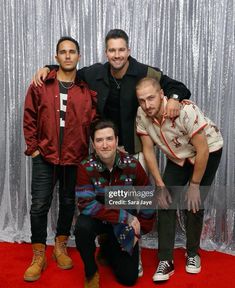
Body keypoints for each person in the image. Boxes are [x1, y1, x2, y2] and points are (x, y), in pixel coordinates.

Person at [33, 29, 191, 160]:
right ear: (106, 53)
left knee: (132, 197)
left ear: (128, 51)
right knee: (105, 196)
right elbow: (69, 74)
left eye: (121, 50)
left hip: (136, 149)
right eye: (112, 50)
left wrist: (174, 98)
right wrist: (49, 68)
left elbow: (178, 87)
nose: (117, 55)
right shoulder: (95, 73)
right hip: (104, 149)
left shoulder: (145, 72)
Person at [23, 36, 97, 282]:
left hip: (74, 158)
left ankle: (60, 246)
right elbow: (30, 116)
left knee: (67, 203)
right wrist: (34, 149)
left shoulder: (87, 90)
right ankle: (38, 253)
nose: (67, 55)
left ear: (78, 56)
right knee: (39, 205)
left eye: (72, 51)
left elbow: (95, 123)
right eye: (62, 52)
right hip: (45, 155)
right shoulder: (41, 84)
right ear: (56, 57)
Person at [135, 77, 223, 282]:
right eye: (141, 100)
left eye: (151, 98)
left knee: (193, 202)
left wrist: (194, 186)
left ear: (161, 95)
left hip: (207, 151)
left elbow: (202, 150)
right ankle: (165, 260)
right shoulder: (141, 114)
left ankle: (193, 253)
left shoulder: (184, 110)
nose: (147, 105)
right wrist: (160, 185)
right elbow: (148, 151)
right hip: (178, 156)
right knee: (165, 202)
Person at [74, 119, 155, 288]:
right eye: (99, 140)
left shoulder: (131, 164)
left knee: (128, 278)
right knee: (82, 226)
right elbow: (86, 205)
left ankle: (108, 246)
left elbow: (147, 195)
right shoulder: (85, 167)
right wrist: (125, 217)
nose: (105, 145)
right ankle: (91, 271)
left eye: (109, 139)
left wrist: (141, 230)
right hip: (100, 218)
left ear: (117, 140)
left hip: (121, 223)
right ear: (93, 144)